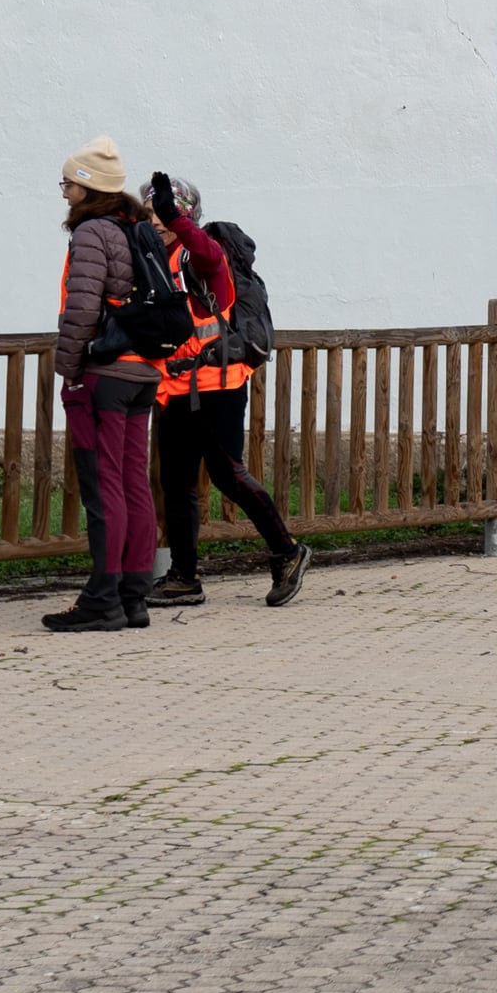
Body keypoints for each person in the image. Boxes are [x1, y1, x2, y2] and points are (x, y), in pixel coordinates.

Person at [143, 170, 308, 608]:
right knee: (175, 483)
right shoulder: (152, 260)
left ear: (188, 216)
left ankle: (288, 553)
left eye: (166, 213)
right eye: (151, 212)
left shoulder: (199, 256)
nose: (157, 220)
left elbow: (211, 259)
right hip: (176, 387)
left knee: (227, 475)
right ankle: (183, 576)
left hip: (219, 383)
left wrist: (177, 222)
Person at [44, 138, 176, 633]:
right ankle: (133, 597)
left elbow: (81, 308)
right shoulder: (139, 228)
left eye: (68, 184)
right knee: (134, 482)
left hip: (106, 376)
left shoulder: (93, 234)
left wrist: (69, 369)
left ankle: (102, 599)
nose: (64, 194)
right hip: (145, 373)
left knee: (104, 488)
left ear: (88, 187)